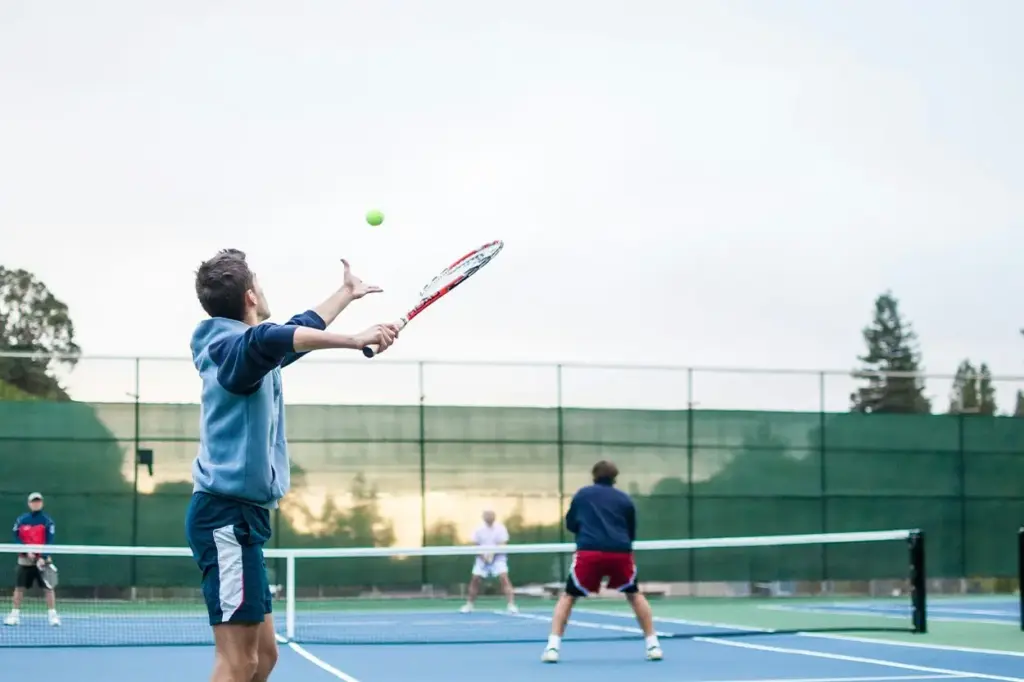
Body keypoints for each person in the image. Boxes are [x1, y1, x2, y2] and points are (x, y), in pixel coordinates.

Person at [185, 249, 399, 682]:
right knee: (237, 661)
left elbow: (291, 332)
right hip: (225, 518)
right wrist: (356, 340)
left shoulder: (246, 351)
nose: (264, 292)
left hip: (244, 518)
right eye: (259, 285)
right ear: (250, 296)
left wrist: (345, 295)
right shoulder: (233, 350)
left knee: (264, 658)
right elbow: (271, 338)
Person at [542, 461, 662, 663]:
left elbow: (571, 523)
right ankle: (653, 645)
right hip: (620, 552)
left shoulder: (582, 495)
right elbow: (630, 531)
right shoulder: (625, 499)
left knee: (569, 597)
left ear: (594, 475)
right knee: (634, 595)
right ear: (615, 477)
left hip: (590, 552)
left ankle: (553, 648)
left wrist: (588, 532)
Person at [4, 492, 60, 627]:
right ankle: (14, 615)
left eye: (38, 501)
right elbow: (16, 537)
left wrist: (43, 557)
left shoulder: (47, 520)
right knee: (19, 588)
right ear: (29, 504)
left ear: (42, 503)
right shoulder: (21, 520)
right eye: (33, 501)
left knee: (48, 588)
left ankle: (53, 616)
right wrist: (26, 551)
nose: (36, 503)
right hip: (25, 560)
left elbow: (49, 540)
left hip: (43, 561)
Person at [460, 510, 517, 614]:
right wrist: (484, 557)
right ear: (483, 517)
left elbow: (503, 544)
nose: (489, 517)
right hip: (481, 559)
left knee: (504, 578)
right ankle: (469, 604)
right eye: (487, 515)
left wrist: (493, 555)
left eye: (491, 515)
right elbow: (476, 545)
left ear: (494, 517)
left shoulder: (501, 528)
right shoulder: (478, 529)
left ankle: (511, 605)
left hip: (498, 558)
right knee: (475, 579)